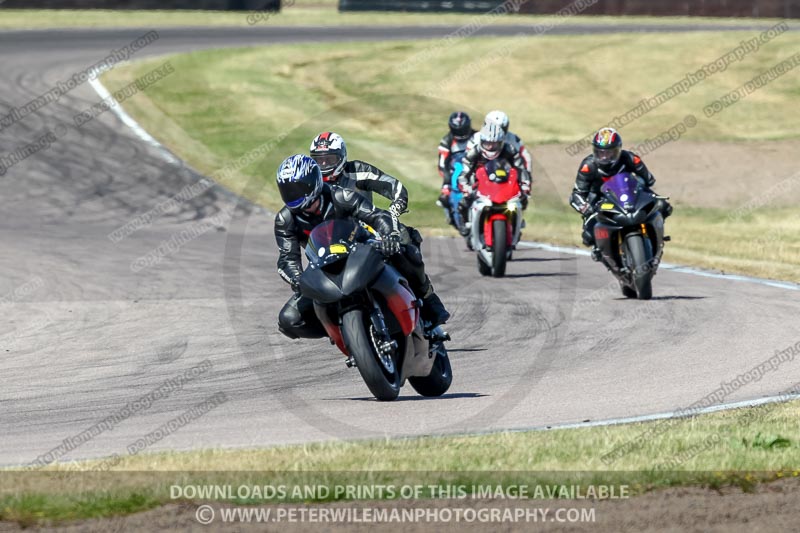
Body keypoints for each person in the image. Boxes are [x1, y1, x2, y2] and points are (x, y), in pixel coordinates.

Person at [275, 155, 450, 340]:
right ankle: (345, 333)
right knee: (289, 320)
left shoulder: (341, 195)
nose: (292, 196)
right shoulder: (285, 220)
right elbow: (287, 258)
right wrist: (297, 279)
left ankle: (429, 301)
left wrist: (390, 235)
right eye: (287, 191)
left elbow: (376, 216)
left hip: (360, 252)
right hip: (324, 268)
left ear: (312, 183)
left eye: (297, 189)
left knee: (406, 250)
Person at [568, 127, 673, 261]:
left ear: (618, 150)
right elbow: (577, 194)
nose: (605, 157)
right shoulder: (588, 166)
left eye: (610, 153)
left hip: (628, 194)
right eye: (600, 153)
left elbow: (648, 180)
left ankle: (656, 238)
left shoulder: (630, 158)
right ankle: (601, 251)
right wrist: (585, 207)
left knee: (663, 206)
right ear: (594, 151)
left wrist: (645, 190)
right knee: (588, 234)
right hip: (600, 199)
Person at [456, 122, 531, 237]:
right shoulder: (474, 152)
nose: (490, 147)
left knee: (522, 200)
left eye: (494, 144)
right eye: (487, 143)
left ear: (501, 143)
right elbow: (463, 173)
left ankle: (516, 225)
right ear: (481, 142)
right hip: (479, 184)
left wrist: (525, 187)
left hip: (503, 184)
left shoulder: (510, 150)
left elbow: (521, 169)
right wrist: (466, 188)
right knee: (463, 203)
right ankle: (467, 224)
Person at [309, 131, 408, 218]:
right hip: (324, 234)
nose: (324, 164)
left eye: (329, 159)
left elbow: (394, 186)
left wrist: (395, 209)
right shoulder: (309, 178)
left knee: (406, 234)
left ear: (342, 156)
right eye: (319, 160)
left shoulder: (359, 171)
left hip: (364, 233)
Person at [437, 112, 477, 225]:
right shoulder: (446, 141)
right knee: (449, 183)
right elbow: (442, 164)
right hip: (456, 167)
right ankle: (448, 206)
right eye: (457, 130)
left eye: (463, 130)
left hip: (475, 164)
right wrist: (446, 179)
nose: (461, 134)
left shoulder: (477, 136)